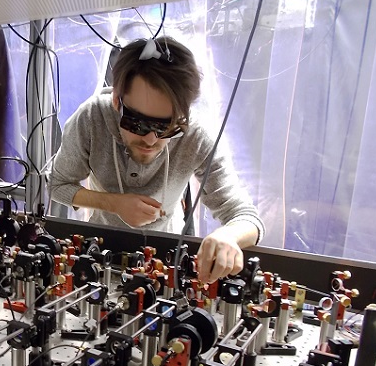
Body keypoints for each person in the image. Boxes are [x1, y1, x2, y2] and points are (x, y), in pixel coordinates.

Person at [49, 37, 264, 283]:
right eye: (138, 123)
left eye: (168, 127)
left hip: (165, 262)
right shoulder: (91, 118)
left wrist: (229, 236)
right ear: (117, 100)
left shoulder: (197, 135)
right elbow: (57, 185)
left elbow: (247, 217)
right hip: (101, 254)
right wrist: (114, 204)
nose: (151, 140)